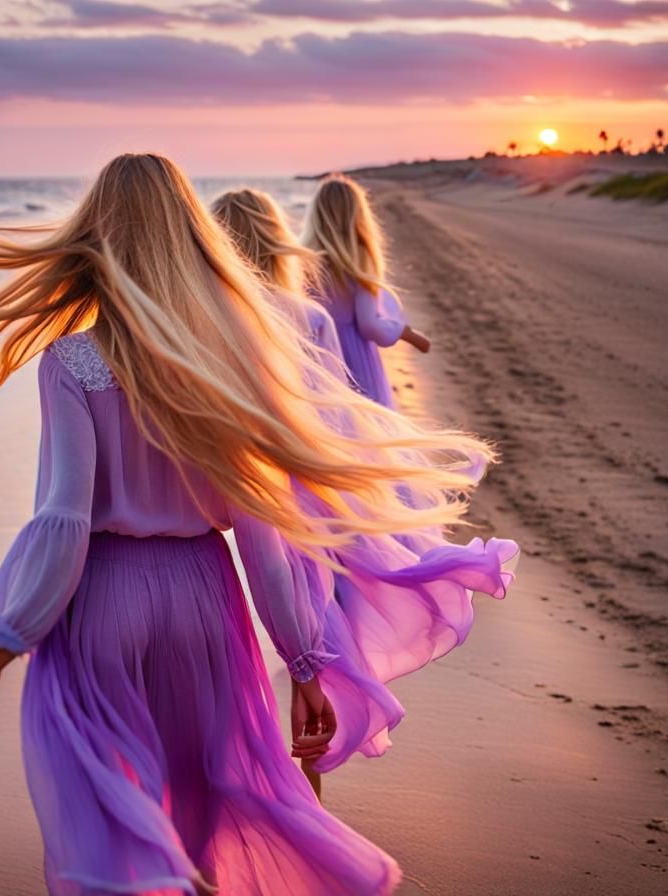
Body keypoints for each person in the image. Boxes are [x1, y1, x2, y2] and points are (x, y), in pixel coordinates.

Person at [0, 153, 500, 895]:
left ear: (96, 238)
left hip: (102, 603)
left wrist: (1, 643)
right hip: (206, 603)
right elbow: (263, 538)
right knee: (204, 808)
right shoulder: (237, 359)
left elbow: (65, 520)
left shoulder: (72, 360)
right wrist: (303, 662)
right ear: (192, 237)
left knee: (117, 819)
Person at [211, 186, 518, 794]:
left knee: (234, 638)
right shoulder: (310, 316)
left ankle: (238, 772)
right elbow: (339, 417)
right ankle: (313, 773)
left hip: (226, 494)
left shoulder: (210, 314)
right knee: (311, 619)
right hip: (302, 492)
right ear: (278, 242)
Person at [303, 174, 430, 409]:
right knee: (366, 429)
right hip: (354, 362)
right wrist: (403, 331)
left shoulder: (303, 261)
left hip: (318, 359)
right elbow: (370, 326)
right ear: (358, 216)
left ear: (316, 215)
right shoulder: (359, 260)